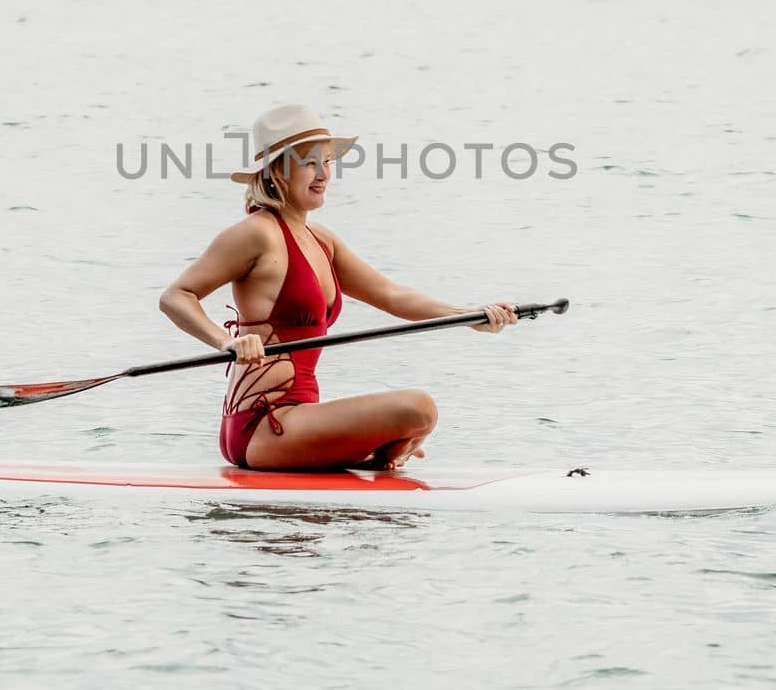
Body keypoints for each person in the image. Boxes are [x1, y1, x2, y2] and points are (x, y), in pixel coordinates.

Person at [159, 104, 518, 471]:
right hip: (265, 424)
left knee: (416, 415)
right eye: (309, 162)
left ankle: (377, 457)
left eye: (327, 161)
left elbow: (393, 296)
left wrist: (468, 316)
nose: (323, 174)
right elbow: (176, 296)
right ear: (278, 171)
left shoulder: (322, 241)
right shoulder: (256, 234)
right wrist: (226, 341)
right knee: (419, 408)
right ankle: (381, 455)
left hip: (302, 417)